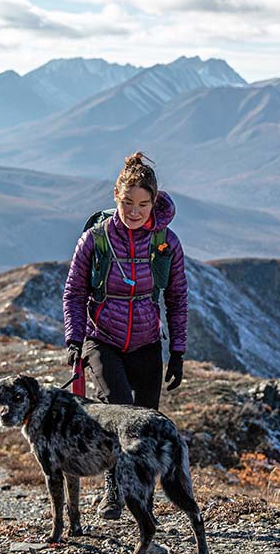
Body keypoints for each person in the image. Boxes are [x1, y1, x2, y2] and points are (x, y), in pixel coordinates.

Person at [62, 151, 188, 520]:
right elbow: (74, 292)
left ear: (154, 202)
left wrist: (177, 352)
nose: (135, 211)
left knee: (145, 423)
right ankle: (114, 489)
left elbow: (177, 297)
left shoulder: (166, 243)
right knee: (116, 410)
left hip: (147, 342)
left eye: (143, 204)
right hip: (102, 339)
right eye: (128, 202)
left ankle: (141, 499)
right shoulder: (94, 240)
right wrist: (74, 340)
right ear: (116, 196)